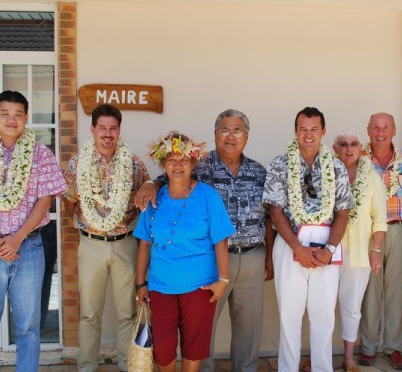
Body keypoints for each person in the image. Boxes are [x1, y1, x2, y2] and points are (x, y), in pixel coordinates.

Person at [135, 109, 275, 372]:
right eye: (224, 130)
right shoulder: (200, 164)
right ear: (215, 134)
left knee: (249, 326)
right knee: (201, 331)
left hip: (253, 256)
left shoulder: (259, 172)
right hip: (212, 260)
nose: (230, 136)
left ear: (246, 136)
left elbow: (269, 216)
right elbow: (170, 176)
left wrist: (268, 257)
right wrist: (148, 184)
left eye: (237, 131)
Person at [0, 90, 67, 371]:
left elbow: (46, 199)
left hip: (28, 248)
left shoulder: (41, 154)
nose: (12, 119)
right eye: (5, 113)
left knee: (28, 326)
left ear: (26, 118)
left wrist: (16, 238)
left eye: (18, 114)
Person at [262, 107, 354, 372]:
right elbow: (275, 209)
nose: (308, 135)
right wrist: (297, 248)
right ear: (295, 132)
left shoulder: (336, 165)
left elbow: (344, 209)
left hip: (326, 249)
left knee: (324, 317)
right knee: (289, 318)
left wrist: (329, 248)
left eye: (314, 129)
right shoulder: (281, 164)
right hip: (291, 245)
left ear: (323, 132)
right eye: (303, 129)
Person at [134, 131, 235, 372]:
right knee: (163, 349)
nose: (178, 166)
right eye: (171, 161)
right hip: (161, 286)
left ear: (193, 163)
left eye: (184, 161)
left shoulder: (207, 196)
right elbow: (145, 243)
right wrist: (140, 284)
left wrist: (223, 279)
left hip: (200, 286)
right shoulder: (154, 198)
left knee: (194, 346)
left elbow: (220, 240)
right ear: (163, 165)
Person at [63, 103, 150, 372]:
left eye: (113, 128)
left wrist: (150, 183)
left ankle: (128, 366)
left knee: (127, 313)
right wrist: (88, 224)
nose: (108, 134)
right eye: (102, 128)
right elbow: (69, 202)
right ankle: (87, 367)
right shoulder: (78, 164)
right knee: (89, 314)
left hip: (125, 244)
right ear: (93, 129)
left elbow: (147, 192)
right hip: (91, 244)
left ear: (119, 130)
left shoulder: (133, 163)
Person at [359, 113, 402, 370]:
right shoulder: (358, 157)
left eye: (386, 127)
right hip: (368, 233)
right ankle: (368, 347)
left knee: (395, 290)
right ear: (368, 130)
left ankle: (393, 347)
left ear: (394, 130)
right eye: (376, 127)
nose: (380, 132)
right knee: (370, 291)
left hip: (398, 228)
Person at [332, 128, 388, 372]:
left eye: (354, 144)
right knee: (319, 305)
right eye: (343, 144)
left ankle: (348, 356)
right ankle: (318, 355)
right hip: (328, 251)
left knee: (352, 305)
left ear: (361, 149)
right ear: (335, 149)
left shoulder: (372, 176)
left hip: (359, 251)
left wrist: (376, 249)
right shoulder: (326, 172)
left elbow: (380, 217)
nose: (349, 148)